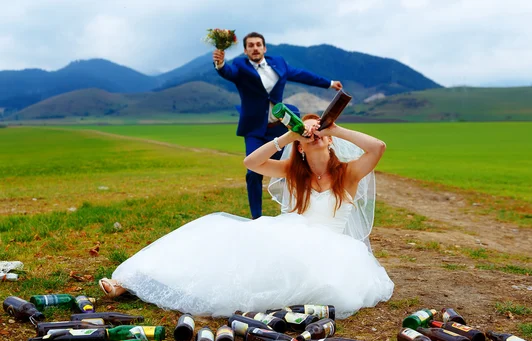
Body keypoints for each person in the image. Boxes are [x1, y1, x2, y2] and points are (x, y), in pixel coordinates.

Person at [99, 116, 394, 319]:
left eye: (319, 132)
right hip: (285, 234)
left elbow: (378, 147)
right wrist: (286, 136)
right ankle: (132, 279)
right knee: (220, 240)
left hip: (328, 250)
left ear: (329, 141)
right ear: (300, 148)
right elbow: (251, 162)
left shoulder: (348, 174)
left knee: (270, 286)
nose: (314, 135)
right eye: (306, 135)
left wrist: (336, 129)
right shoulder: (293, 172)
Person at [213, 31, 343, 219]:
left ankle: (299, 212)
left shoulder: (279, 63)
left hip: (282, 128)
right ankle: (256, 218)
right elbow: (228, 72)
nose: (255, 48)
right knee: (253, 172)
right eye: (251, 45)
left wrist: (329, 83)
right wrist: (220, 63)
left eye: (258, 44)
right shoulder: (239, 66)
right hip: (255, 131)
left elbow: (301, 75)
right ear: (245, 50)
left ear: (264, 48)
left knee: (296, 168)